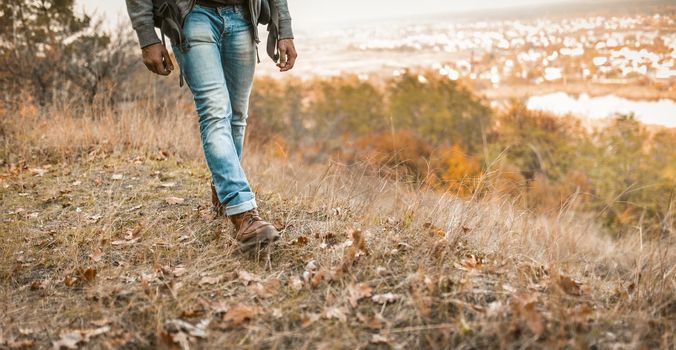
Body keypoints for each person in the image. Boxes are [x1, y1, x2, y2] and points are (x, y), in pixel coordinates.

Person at [125, 0, 297, 251]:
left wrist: (284, 28)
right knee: (215, 111)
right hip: (193, 15)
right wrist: (147, 36)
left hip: (243, 17)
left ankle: (222, 188)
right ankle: (243, 213)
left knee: (237, 116)